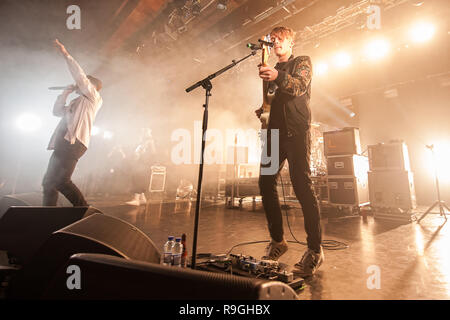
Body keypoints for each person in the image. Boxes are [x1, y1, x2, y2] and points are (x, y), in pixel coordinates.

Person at [255, 26, 323, 277]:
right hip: (275, 135)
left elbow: (298, 88)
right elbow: (274, 101)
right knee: (265, 182)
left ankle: (315, 250)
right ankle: (278, 241)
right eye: (273, 41)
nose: (276, 43)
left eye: (280, 39)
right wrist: (262, 109)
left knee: (302, 185)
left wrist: (276, 76)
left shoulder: (302, 62)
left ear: (291, 42)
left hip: (296, 133)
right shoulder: (271, 71)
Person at [42, 39, 103, 206]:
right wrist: (65, 94)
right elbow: (57, 112)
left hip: (74, 144)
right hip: (63, 141)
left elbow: (80, 76)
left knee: (62, 181)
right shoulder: (77, 102)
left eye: (83, 83)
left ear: (91, 86)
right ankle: (47, 215)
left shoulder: (93, 98)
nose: (79, 84)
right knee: (48, 182)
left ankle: (83, 209)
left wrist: (65, 53)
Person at [125, 128, 156, 206]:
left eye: (146, 131)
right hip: (141, 163)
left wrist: (141, 152)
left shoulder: (150, 141)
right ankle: (142, 199)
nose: (144, 132)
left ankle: (136, 200)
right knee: (138, 179)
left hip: (144, 164)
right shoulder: (144, 141)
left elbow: (152, 152)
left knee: (138, 180)